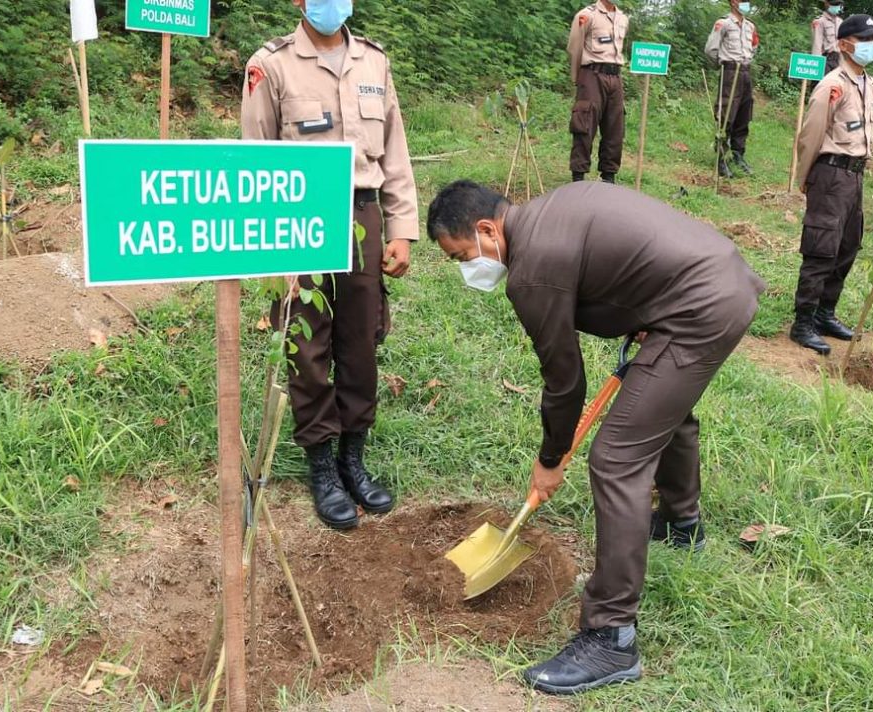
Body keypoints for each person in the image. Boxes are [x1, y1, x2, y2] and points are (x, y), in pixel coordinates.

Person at [427, 180, 764, 695]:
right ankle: (681, 523)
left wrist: (551, 457)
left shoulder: (532, 273)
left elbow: (564, 380)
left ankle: (611, 637)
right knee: (661, 408)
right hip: (718, 279)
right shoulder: (550, 211)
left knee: (616, 458)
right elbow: (627, 264)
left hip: (699, 307)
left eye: (462, 255)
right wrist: (648, 311)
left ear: (487, 229)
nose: (466, 267)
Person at [241, 0, 418, 529]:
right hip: (298, 215)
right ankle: (321, 462)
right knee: (306, 342)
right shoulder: (271, 64)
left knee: (361, 340)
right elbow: (256, 157)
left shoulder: (373, 62)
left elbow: (396, 153)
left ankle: (353, 458)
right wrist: (271, 242)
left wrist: (402, 229)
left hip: (362, 215)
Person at [790, 15, 873, 356]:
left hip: (855, 176)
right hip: (830, 174)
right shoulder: (833, 85)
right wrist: (805, 178)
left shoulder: (868, 85)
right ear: (844, 44)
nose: (872, 45)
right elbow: (810, 135)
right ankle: (803, 322)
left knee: (847, 246)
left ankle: (826, 314)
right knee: (821, 248)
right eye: (865, 39)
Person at [566, 0, 629, 184]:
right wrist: (578, 78)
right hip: (592, 74)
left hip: (615, 77)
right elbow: (574, 49)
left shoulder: (623, 18)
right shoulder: (587, 15)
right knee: (584, 123)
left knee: (614, 127)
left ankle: (608, 176)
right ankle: (578, 175)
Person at [705, 0, 759, 178]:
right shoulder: (724, 23)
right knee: (726, 114)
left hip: (745, 72)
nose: (746, 3)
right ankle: (721, 158)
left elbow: (754, 46)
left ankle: (738, 155)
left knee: (744, 114)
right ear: (733, 2)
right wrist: (724, 64)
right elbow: (711, 49)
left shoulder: (750, 26)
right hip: (730, 72)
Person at [812, 1, 844, 75]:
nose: (837, 6)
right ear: (827, 4)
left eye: (838, 4)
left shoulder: (840, 21)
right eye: (834, 4)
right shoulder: (819, 21)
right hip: (825, 60)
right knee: (822, 84)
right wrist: (816, 65)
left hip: (838, 60)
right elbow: (817, 44)